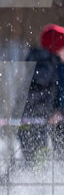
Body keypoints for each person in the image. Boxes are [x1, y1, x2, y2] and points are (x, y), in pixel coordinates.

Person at [18, 23, 64, 161]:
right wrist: (51, 112)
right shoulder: (44, 67)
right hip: (33, 126)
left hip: (48, 125)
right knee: (38, 166)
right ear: (56, 48)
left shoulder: (55, 65)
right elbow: (35, 97)